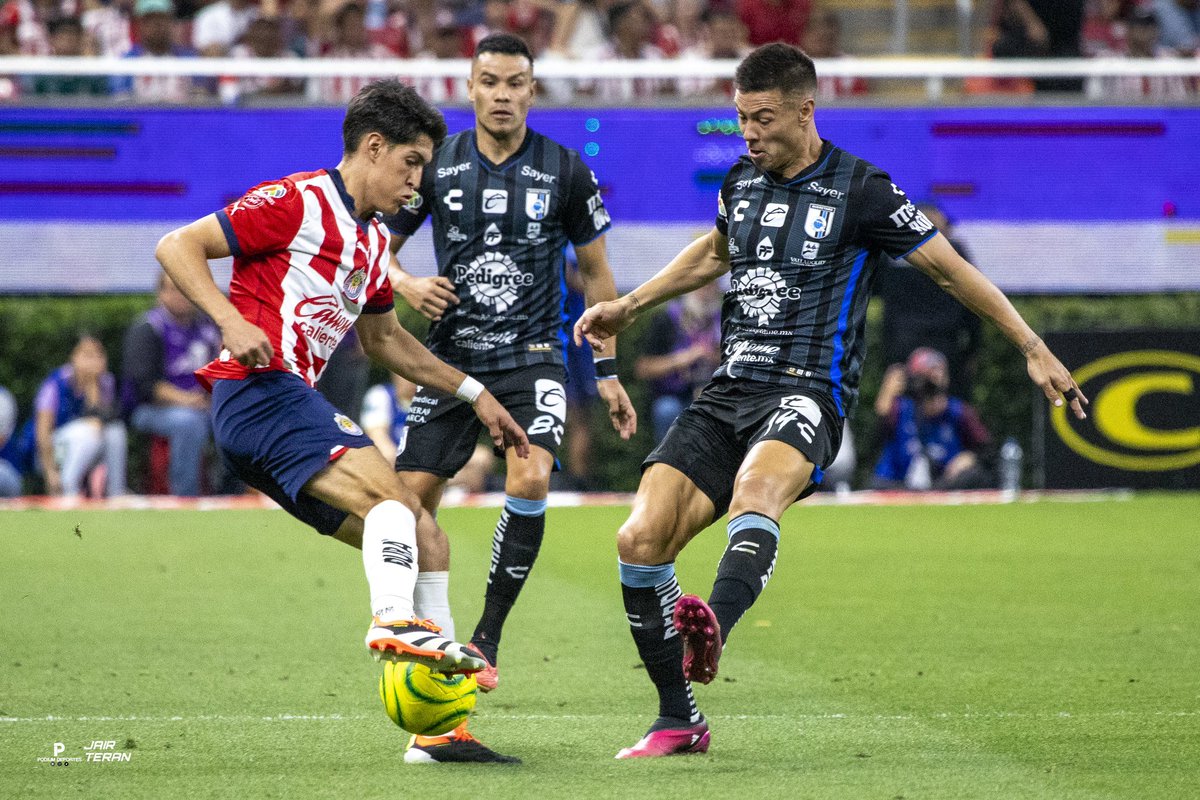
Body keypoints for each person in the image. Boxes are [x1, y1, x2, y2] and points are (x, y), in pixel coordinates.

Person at [574, 43, 1090, 759]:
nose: (749, 133)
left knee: (757, 491)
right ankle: (678, 718)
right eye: (740, 119)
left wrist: (1031, 345)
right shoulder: (741, 182)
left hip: (806, 392)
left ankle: (712, 623)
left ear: (806, 110)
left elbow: (947, 269)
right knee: (638, 540)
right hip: (727, 392)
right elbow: (715, 252)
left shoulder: (861, 189)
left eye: (762, 119)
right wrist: (629, 305)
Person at [154, 80, 529, 686]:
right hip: (258, 392)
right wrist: (229, 319)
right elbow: (177, 246)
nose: (417, 182)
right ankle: (391, 620)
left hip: (278, 417)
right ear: (374, 147)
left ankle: (442, 718)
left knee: (426, 538)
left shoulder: (375, 241)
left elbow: (385, 342)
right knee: (393, 503)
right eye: (412, 163)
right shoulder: (296, 200)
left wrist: (476, 394)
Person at [384, 33, 636, 763]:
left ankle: (485, 635)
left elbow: (597, 276)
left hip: (534, 359)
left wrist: (609, 370)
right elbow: (378, 248)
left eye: (515, 83)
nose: (502, 94)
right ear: (469, 86)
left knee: (531, 470)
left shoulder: (565, 169)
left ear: (532, 90)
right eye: (489, 81)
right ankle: (425, 669)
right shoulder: (436, 166)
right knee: (405, 508)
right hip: (452, 360)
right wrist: (403, 285)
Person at [122, 273, 222, 497]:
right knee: (188, 422)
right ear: (161, 294)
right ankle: (184, 498)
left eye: (185, 288)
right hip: (151, 410)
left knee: (239, 419)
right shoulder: (148, 328)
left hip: (205, 405)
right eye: (173, 289)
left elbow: (222, 370)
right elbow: (146, 385)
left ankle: (232, 493)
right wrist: (188, 400)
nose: (181, 296)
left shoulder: (207, 328)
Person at [875, 202, 981, 400]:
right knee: (947, 412)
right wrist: (971, 352)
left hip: (903, 348)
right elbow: (975, 303)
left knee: (900, 414)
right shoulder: (955, 253)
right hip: (946, 348)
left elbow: (876, 294)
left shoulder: (891, 252)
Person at [870, 348, 992, 491]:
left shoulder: (958, 411)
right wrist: (885, 399)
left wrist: (969, 457)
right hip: (899, 484)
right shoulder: (900, 409)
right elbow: (875, 439)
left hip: (943, 485)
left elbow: (987, 449)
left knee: (973, 475)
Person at [35, 334, 128, 498]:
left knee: (115, 431)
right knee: (88, 431)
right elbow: (42, 432)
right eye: (87, 355)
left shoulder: (106, 382)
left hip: (90, 448)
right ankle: (68, 489)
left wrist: (92, 385)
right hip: (54, 453)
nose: (93, 361)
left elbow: (104, 419)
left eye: (98, 355)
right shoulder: (56, 383)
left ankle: (116, 493)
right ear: (73, 357)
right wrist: (50, 472)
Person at [634, 283, 722, 444]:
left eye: (711, 285)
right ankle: (667, 464)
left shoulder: (723, 320)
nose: (706, 291)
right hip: (675, 396)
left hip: (713, 395)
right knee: (667, 410)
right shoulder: (668, 318)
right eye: (702, 284)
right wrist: (682, 359)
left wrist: (713, 357)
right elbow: (643, 368)